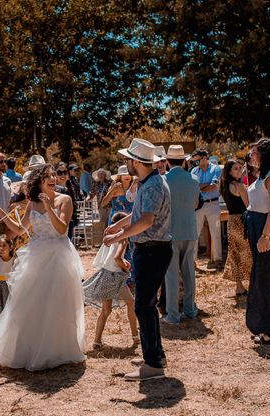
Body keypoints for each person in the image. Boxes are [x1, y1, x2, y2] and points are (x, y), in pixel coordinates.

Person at [0, 164, 85, 370]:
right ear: (39, 181)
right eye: (48, 176)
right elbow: (21, 229)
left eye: (54, 175)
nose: (53, 178)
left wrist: (49, 207)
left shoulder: (65, 200)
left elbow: (62, 229)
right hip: (36, 255)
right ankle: (29, 348)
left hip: (58, 255)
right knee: (31, 300)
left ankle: (57, 350)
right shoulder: (31, 203)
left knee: (56, 301)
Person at [103, 138, 171, 381]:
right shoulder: (148, 182)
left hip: (152, 249)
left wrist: (119, 235)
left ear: (137, 162)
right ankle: (155, 355)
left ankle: (152, 364)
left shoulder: (151, 185)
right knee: (147, 306)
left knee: (143, 306)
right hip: (151, 249)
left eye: (127, 159)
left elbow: (146, 221)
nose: (125, 163)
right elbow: (137, 214)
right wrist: (118, 226)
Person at [244, 138, 270, 344]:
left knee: (268, 279)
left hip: (268, 231)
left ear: (264, 154)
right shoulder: (262, 175)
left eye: (254, 152)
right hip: (258, 227)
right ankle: (262, 326)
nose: (250, 156)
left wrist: (265, 235)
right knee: (260, 278)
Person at [83, 211, 138, 347]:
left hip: (105, 275)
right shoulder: (122, 239)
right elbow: (116, 258)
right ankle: (135, 336)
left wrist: (122, 262)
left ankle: (97, 341)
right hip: (114, 277)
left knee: (106, 311)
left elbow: (107, 258)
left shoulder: (109, 237)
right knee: (130, 303)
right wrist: (125, 267)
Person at [163, 145, 200, 324]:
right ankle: (190, 309)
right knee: (189, 272)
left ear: (168, 162)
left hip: (170, 231)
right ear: (184, 161)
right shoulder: (194, 179)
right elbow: (195, 204)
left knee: (171, 274)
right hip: (190, 229)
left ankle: (173, 314)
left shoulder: (164, 179)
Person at [220, 159, 251, 297]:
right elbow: (248, 205)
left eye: (240, 168)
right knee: (247, 252)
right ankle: (251, 282)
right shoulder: (240, 186)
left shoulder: (224, 185)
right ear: (230, 171)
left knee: (234, 253)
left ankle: (239, 286)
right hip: (242, 220)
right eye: (236, 169)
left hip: (231, 221)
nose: (239, 171)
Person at [190, 148, 223, 269]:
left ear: (204, 158)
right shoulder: (193, 170)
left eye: (197, 160)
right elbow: (192, 187)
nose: (195, 163)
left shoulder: (216, 169)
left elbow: (213, 187)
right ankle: (192, 261)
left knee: (216, 233)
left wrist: (199, 187)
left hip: (212, 204)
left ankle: (217, 259)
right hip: (197, 205)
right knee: (195, 233)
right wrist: (204, 186)